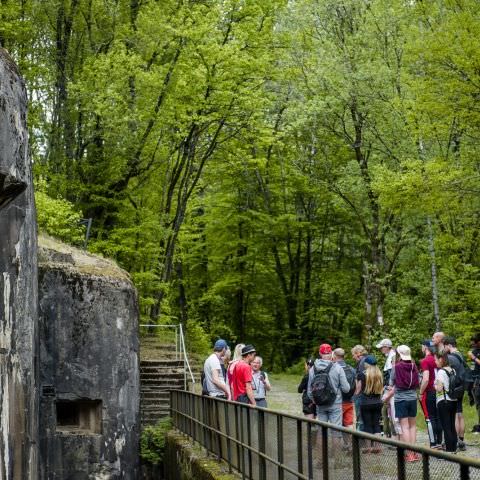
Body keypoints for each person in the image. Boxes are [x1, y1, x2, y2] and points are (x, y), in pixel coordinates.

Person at [384, 345, 420, 462]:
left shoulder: (396, 367)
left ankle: (409, 454)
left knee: (405, 426)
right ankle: (414, 453)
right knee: (413, 426)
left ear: (399, 354)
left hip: (401, 399)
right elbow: (418, 381)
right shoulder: (414, 365)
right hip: (412, 399)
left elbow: (391, 382)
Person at [307, 343, 350, 427]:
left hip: (320, 403)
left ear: (320, 353)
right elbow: (346, 389)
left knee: (321, 430)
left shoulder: (312, 369)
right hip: (335, 403)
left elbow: (309, 390)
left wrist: (315, 399)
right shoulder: (338, 368)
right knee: (336, 431)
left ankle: (321, 440)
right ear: (331, 353)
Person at [355, 355, 383, 453]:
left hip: (365, 403)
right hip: (378, 402)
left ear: (366, 364)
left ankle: (368, 448)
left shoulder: (362, 375)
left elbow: (357, 391)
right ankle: (377, 447)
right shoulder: (379, 374)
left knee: (367, 425)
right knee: (376, 424)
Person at [444, 336, 466, 451]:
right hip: (462, 386)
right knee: (460, 412)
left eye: (445, 346)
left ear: (448, 345)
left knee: (456, 414)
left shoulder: (451, 357)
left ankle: (457, 441)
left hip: (454, 388)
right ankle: (461, 439)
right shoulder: (461, 355)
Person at [419, 340, 442, 448]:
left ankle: (433, 442)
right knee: (438, 416)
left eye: (422, 346)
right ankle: (439, 441)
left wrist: (421, 391)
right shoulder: (437, 359)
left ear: (425, 347)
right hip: (438, 390)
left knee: (430, 417)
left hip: (429, 391)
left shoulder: (425, 361)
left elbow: (426, 379)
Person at [434, 351, 458, 453]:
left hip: (443, 401)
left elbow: (439, 389)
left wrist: (434, 385)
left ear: (441, 359)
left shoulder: (441, 372)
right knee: (452, 425)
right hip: (453, 400)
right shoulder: (453, 370)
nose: (435, 362)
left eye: (436, 359)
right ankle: (454, 447)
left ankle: (449, 450)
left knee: (446, 426)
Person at [376, 339, 396, 438]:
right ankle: (389, 435)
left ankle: (392, 436)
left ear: (387, 347)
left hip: (391, 390)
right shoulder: (389, 356)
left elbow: (392, 375)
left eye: (381, 347)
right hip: (388, 388)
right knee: (385, 412)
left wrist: (390, 388)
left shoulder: (392, 357)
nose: (380, 349)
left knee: (389, 412)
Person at [333, 348, 356, 429]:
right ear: (344, 356)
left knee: (337, 426)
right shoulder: (351, 369)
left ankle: (339, 442)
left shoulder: (333, 369)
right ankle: (350, 442)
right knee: (349, 424)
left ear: (334, 356)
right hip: (349, 400)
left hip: (337, 402)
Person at [351, 345, 368, 431]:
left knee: (360, 418)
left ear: (358, 353)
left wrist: (356, 394)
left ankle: (360, 440)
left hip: (361, 394)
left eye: (353, 354)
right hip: (369, 393)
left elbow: (360, 380)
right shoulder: (368, 360)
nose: (353, 357)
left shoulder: (362, 363)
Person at [468, 334, 480, 433]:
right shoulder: (474, 351)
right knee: (477, 403)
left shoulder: (474, 353)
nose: (473, 345)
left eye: (474, 344)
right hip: (474, 380)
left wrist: (474, 357)